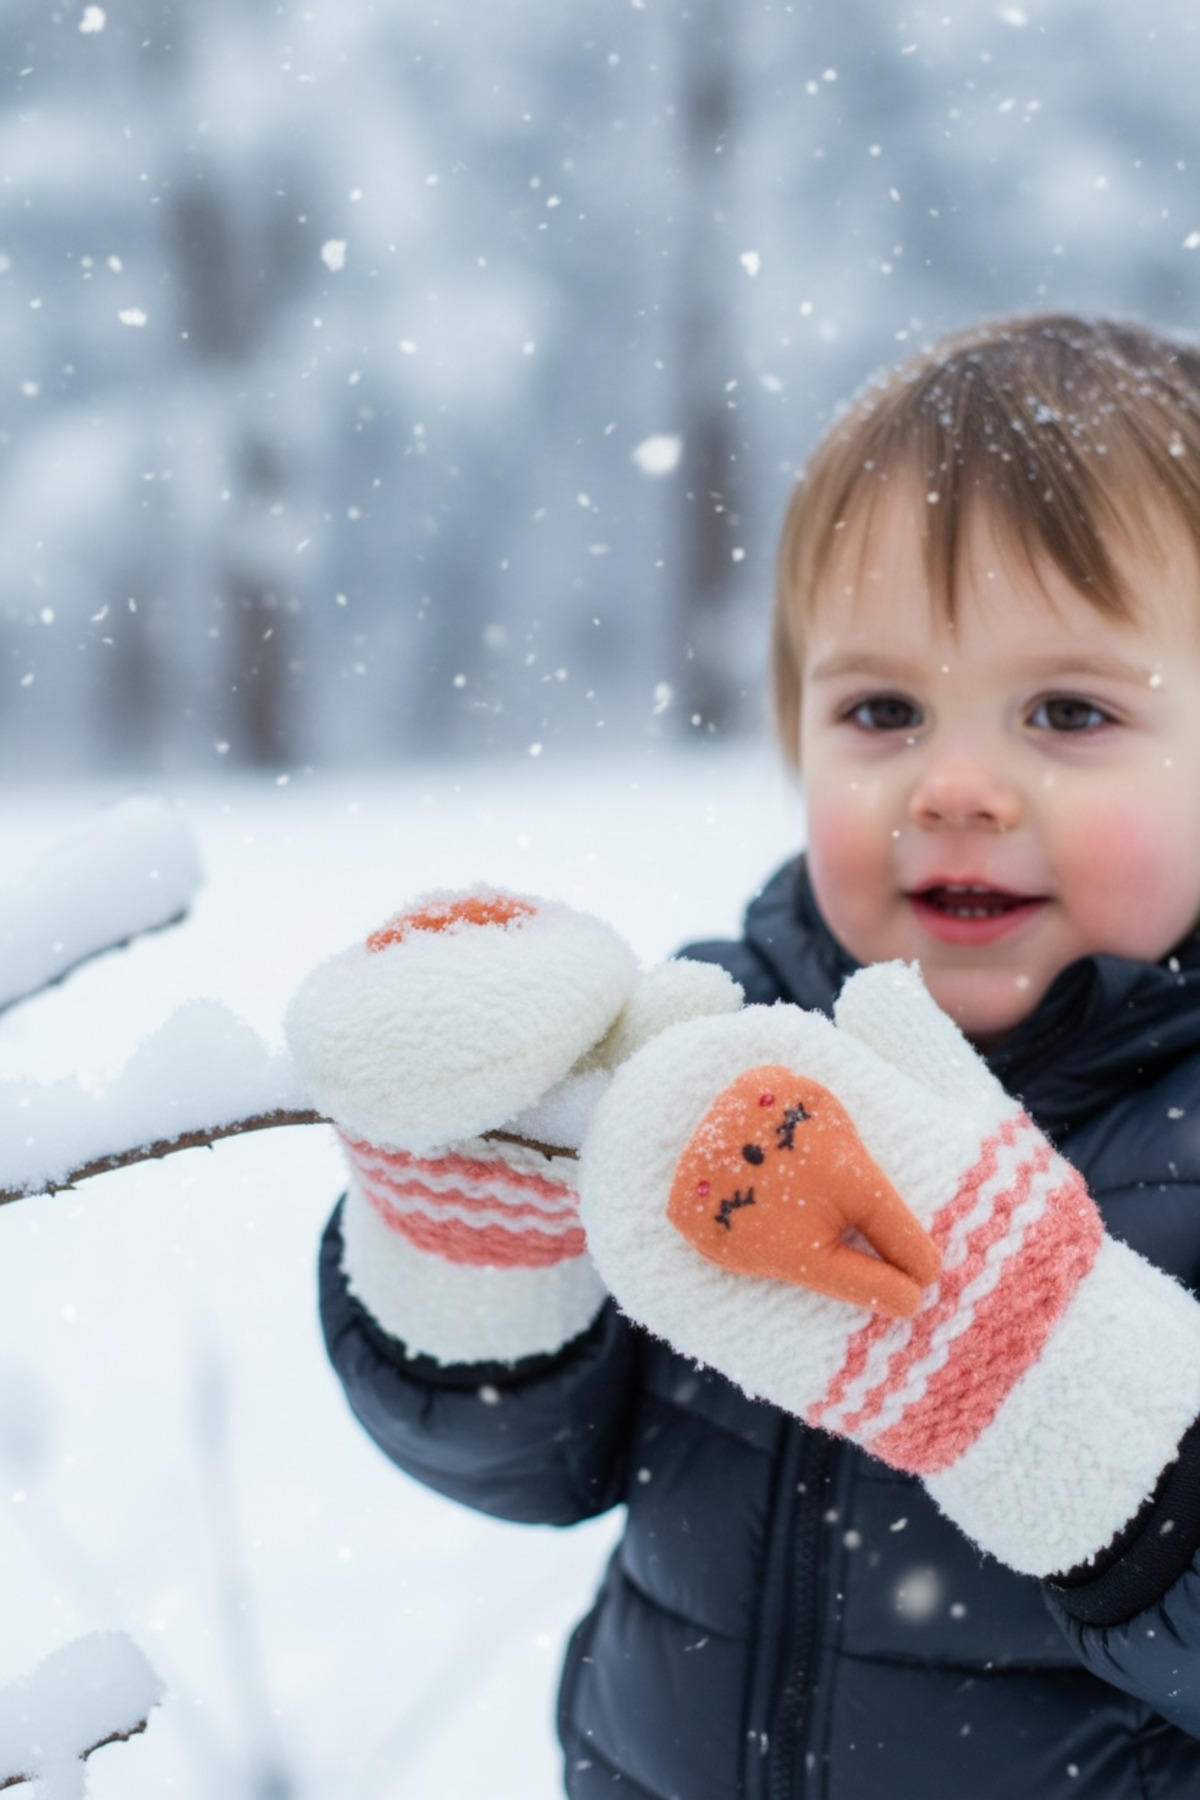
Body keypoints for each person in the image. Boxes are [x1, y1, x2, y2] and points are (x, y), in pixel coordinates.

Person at [305, 316, 1200, 1798]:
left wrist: (1066, 1396)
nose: (956, 784)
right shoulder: (709, 1061)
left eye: (1068, 711)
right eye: (881, 710)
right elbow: (533, 1468)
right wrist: (478, 1252)